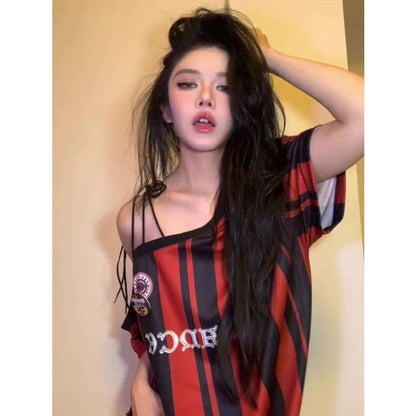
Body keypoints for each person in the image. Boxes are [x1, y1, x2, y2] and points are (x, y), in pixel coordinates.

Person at [115, 7, 363, 416]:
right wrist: (142, 387)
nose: (206, 97)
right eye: (188, 83)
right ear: (166, 109)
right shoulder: (137, 220)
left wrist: (266, 57)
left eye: (226, 86)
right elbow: (154, 322)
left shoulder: (281, 181)